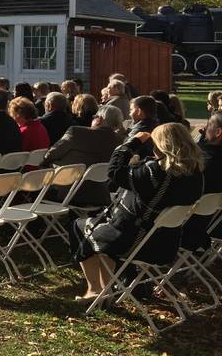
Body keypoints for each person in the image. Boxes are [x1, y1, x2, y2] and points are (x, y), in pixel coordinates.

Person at [69, 123, 205, 302]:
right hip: (165, 243)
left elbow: (115, 172)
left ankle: (95, 290)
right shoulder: (196, 174)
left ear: (164, 146)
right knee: (103, 233)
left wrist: (131, 144)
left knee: (79, 226)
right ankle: (106, 290)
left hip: (134, 240)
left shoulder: (156, 172)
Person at [42, 105, 124, 205]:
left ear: (100, 119)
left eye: (94, 117)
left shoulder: (76, 132)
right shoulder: (120, 140)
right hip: (100, 196)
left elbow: (49, 155)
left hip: (67, 193)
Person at [183, 112, 222, 250]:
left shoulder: (204, 163)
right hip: (210, 227)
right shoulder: (207, 155)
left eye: (208, 125)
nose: (205, 129)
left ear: (218, 132)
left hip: (183, 231)